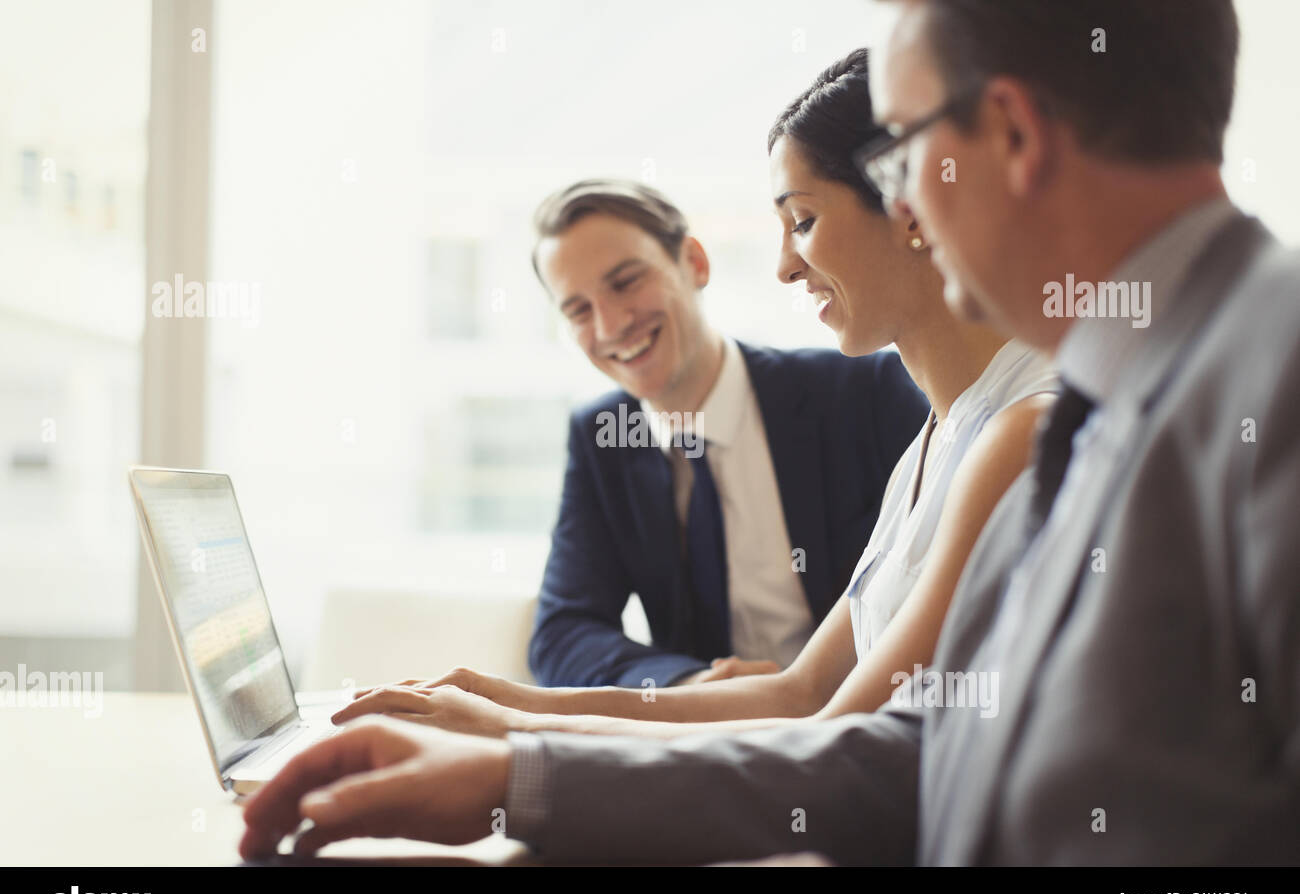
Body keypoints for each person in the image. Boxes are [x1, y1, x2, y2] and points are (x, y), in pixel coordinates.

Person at [242, 0, 1300, 865]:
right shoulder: (1099, 400)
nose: (905, 217)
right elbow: (917, 753)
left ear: (1013, 136)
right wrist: (513, 766)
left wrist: (517, 761)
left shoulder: (1265, 378)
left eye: (901, 160)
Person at [332, 49, 1057, 741]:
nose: (783, 266)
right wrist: (506, 701)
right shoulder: (932, 444)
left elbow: (831, 738)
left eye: (802, 221)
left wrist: (520, 737)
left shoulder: (960, 418)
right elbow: (801, 696)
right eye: (576, 309)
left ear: (910, 207)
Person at [523, 180, 929, 688]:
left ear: (694, 262)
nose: (609, 326)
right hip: (714, 739)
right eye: (578, 310)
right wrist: (691, 687)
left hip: (863, 718)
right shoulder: (603, 437)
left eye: (625, 282)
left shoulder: (863, 393)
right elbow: (563, 634)